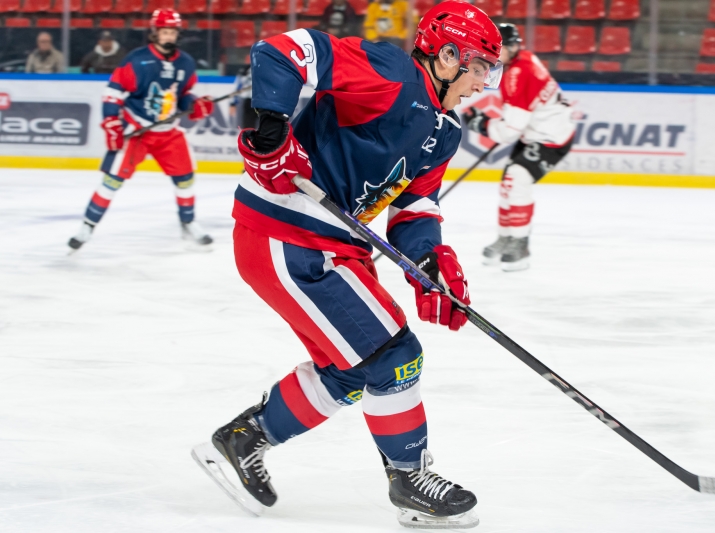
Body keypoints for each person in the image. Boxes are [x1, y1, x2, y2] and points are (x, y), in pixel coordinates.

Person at [191, 2, 503, 528]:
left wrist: (430, 257)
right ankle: (410, 478)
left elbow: (414, 204)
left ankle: (241, 441)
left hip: (333, 243)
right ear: (448, 55)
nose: (482, 83)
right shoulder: (391, 72)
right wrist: (271, 127)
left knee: (351, 374)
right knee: (393, 357)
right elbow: (286, 50)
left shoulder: (445, 128)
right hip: (287, 232)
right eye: (479, 67)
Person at [68, 9, 215, 252]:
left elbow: (183, 95)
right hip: (137, 130)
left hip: (169, 132)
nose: (168, 36)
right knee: (111, 181)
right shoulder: (137, 60)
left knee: (186, 179)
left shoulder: (185, 63)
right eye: (164, 32)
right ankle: (87, 227)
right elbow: (112, 93)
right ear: (155, 33)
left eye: (172, 32)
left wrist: (194, 105)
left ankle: (188, 222)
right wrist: (112, 123)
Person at [464, 23, 576, 271]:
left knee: (516, 181)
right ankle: (506, 238)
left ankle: (520, 244)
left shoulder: (517, 73)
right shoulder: (521, 61)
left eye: (502, 48)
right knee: (508, 184)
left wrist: (481, 124)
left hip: (550, 138)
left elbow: (508, 131)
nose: (497, 53)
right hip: (537, 132)